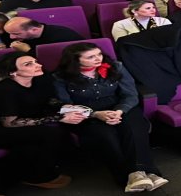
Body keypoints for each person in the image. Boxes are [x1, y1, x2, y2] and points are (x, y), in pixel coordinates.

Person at [0, 52, 81, 195]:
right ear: (13, 72)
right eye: (28, 64)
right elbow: (10, 123)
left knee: (31, 145)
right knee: (49, 134)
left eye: (35, 61)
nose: (38, 65)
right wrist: (58, 118)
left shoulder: (38, 79)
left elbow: (45, 100)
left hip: (3, 123)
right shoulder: (4, 90)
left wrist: (67, 107)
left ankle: (35, 176)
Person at [53, 43, 168, 192]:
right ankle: (129, 176)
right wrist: (95, 114)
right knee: (107, 135)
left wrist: (119, 111)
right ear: (75, 61)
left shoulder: (116, 66)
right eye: (90, 57)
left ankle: (139, 173)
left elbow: (130, 94)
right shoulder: (60, 77)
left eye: (99, 54)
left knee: (133, 128)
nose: (98, 59)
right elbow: (65, 105)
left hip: (119, 106)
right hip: (86, 113)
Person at [2, 17, 85, 55]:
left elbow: (52, 60)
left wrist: (27, 50)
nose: (11, 37)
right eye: (10, 33)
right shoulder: (23, 34)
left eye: (16, 34)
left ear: (34, 30)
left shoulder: (61, 36)